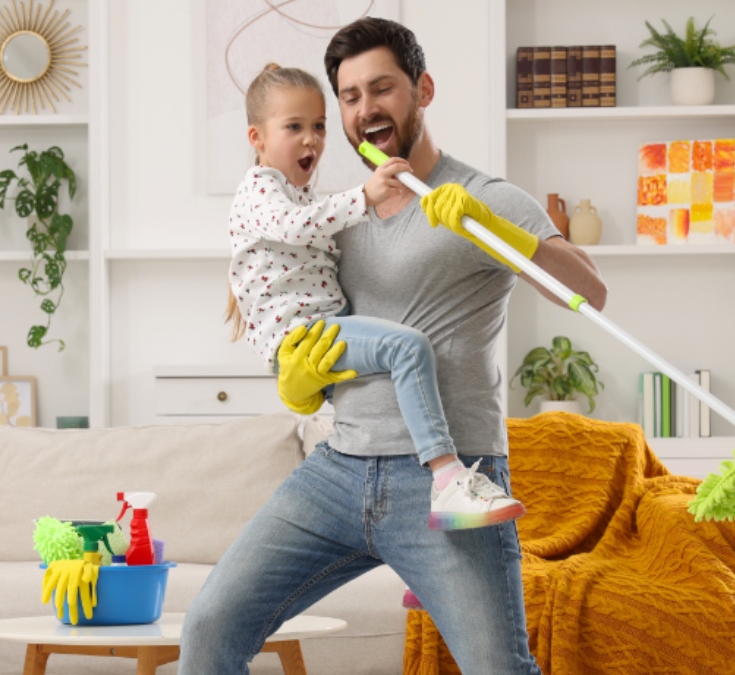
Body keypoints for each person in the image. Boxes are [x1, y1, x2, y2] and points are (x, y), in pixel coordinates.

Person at [181, 18, 606, 675]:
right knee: (208, 630)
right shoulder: (338, 215)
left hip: (450, 479)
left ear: (422, 89)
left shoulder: (484, 198)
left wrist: (492, 229)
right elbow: (290, 304)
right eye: (348, 97)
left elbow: (590, 290)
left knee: (499, 667)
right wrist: (296, 382)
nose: (364, 109)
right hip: (340, 470)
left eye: (381, 88)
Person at [226, 62, 526, 530]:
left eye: (319, 126)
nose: (312, 140)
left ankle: (416, 550)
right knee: (407, 347)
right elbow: (294, 228)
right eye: (294, 127)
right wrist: (363, 197)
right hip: (305, 335)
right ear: (257, 138)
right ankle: (447, 477)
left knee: (398, 355)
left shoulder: (301, 193)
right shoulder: (261, 189)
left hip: (321, 330)